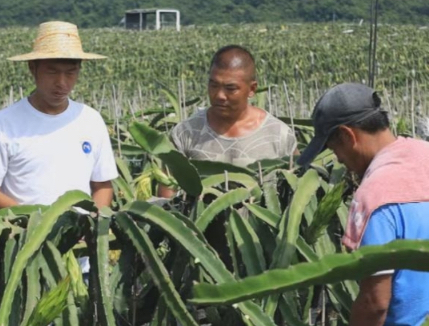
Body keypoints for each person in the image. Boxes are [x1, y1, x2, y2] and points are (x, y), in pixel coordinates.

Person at [298, 83, 429, 326]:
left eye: (334, 147)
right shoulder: (425, 153)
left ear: (348, 135)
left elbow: (375, 301)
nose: (337, 158)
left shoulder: (375, 194)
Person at [0, 20, 118, 211]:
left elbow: (102, 185)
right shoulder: (4, 122)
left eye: (71, 73)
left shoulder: (91, 120)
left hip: (80, 237)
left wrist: (92, 222)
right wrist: (36, 221)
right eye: (52, 72)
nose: (61, 83)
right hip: (24, 235)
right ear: (33, 68)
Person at [159, 45, 297, 197]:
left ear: (252, 89)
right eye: (213, 85)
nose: (219, 95)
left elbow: (296, 189)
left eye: (230, 88)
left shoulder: (279, 135)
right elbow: (167, 196)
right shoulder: (186, 133)